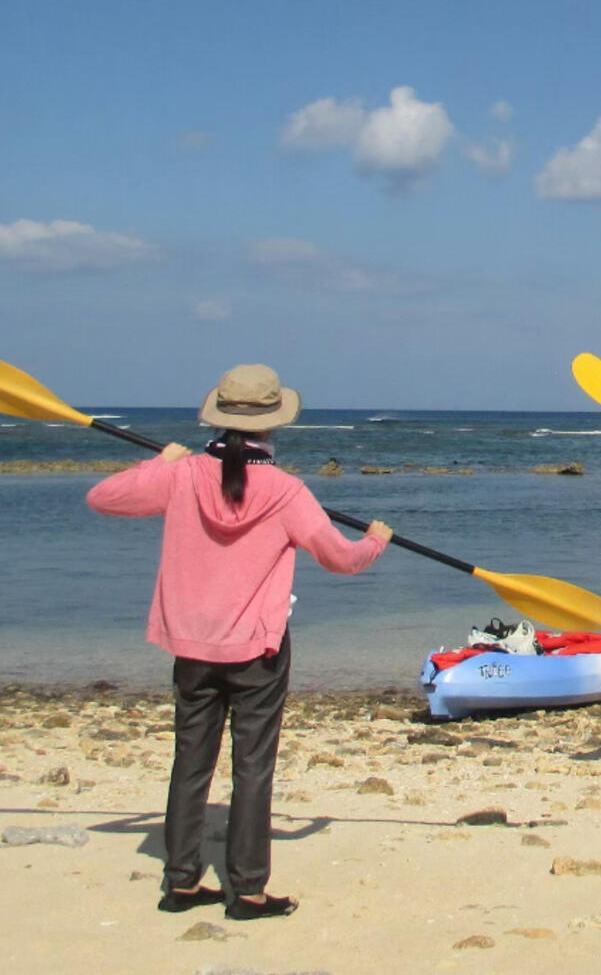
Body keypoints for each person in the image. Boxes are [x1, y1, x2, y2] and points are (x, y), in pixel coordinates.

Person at [86, 364, 392, 921]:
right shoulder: (286, 491)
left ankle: (180, 884)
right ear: (273, 424)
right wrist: (374, 541)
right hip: (258, 652)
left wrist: (163, 461)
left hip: (193, 648)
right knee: (252, 767)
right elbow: (340, 559)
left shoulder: (182, 476)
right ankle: (247, 892)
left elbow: (105, 496)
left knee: (191, 762)